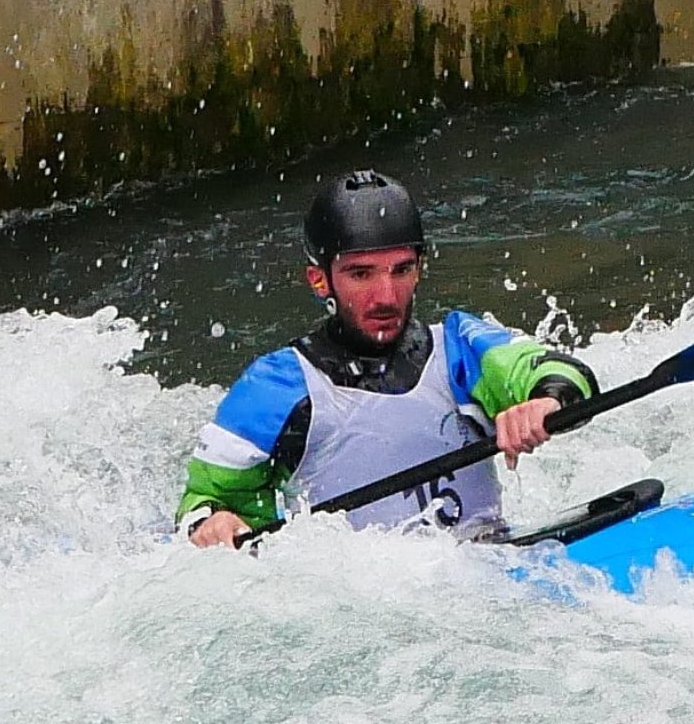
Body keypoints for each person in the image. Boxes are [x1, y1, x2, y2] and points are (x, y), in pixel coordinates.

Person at [179, 170, 597, 548]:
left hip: (491, 567)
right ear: (319, 279)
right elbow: (202, 506)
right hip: (366, 606)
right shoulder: (274, 389)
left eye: (401, 270)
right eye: (361, 274)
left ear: (420, 268)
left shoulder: (460, 348)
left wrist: (547, 400)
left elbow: (550, 370)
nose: (386, 296)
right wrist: (213, 523)